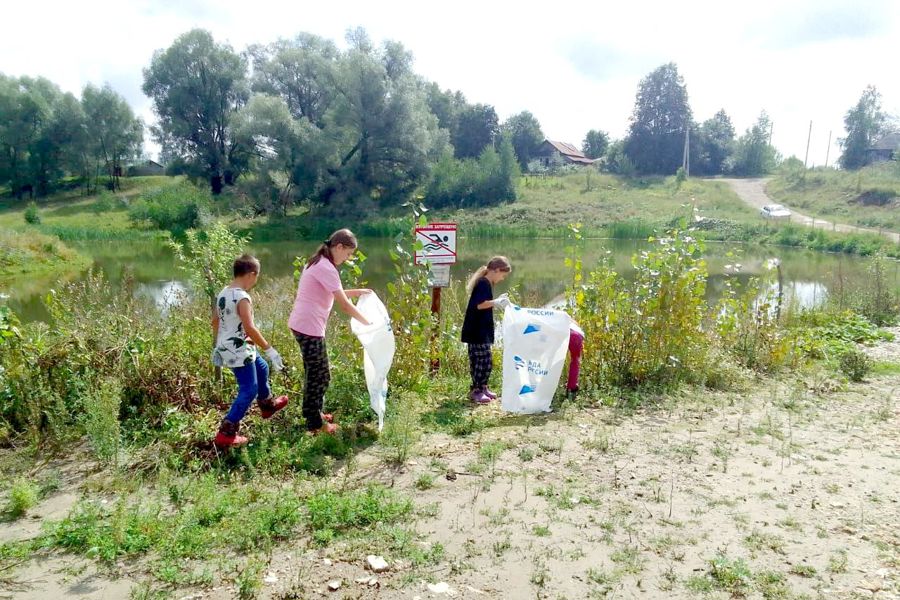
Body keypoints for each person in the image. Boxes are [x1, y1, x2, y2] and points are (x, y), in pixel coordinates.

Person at [288, 229, 371, 435]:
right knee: (321, 375)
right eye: (348, 253)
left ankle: (313, 413)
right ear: (339, 247)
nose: (348, 258)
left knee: (315, 373)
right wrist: (368, 323)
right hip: (309, 327)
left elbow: (335, 294)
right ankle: (315, 424)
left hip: (304, 324)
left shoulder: (319, 262)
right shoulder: (326, 267)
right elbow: (344, 304)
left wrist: (358, 292)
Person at [212, 254, 289, 448]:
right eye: (257, 277)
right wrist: (269, 349)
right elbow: (250, 327)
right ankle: (226, 433)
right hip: (238, 349)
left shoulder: (223, 292)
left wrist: (219, 342)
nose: (256, 281)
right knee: (249, 388)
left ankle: (267, 405)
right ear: (251, 275)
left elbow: (216, 321)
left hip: (229, 345)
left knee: (261, 367)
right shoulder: (242, 297)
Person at [461, 256, 512, 404]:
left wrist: (496, 301)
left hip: (482, 330)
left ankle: (483, 387)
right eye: (503, 275)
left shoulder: (487, 283)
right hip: (476, 330)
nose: (502, 278)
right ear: (495, 270)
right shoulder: (483, 283)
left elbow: (484, 303)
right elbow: (479, 305)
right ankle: (476, 390)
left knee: (487, 361)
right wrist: (496, 303)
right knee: (479, 361)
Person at [567, 319, 585, 400]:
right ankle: (572, 387)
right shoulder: (574, 323)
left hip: (564, 333)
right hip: (577, 336)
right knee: (575, 361)